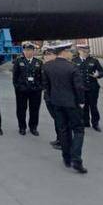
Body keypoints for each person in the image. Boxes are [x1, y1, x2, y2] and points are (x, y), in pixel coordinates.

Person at [43, 42, 87, 174]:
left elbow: (46, 86)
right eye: (69, 51)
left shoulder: (48, 66)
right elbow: (79, 87)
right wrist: (81, 101)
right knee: (78, 130)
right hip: (72, 104)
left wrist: (51, 100)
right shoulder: (72, 67)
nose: (71, 53)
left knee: (63, 129)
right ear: (63, 52)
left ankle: (66, 158)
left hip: (56, 103)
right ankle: (76, 159)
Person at [72, 44, 103, 131]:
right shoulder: (74, 61)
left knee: (93, 106)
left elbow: (102, 72)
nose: (86, 53)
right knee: (83, 106)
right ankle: (85, 122)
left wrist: (98, 75)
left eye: (87, 52)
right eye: (84, 52)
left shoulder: (94, 60)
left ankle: (95, 123)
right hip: (81, 88)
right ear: (79, 51)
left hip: (92, 87)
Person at [12, 42, 43, 136]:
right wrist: (18, 87)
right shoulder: (18, 61)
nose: (27, 52)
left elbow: (42, 77)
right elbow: (15, 77)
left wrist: (39, 88)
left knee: (34, 110)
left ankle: (33, 127)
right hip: (22, 91)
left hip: (35, 91)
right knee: (21, 109)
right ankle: (22, 127)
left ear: (33, 51)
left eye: (29, 50)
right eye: (25, 50)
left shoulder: (38, 62)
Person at [41, 44, 61, 149]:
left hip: (56, 98)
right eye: (45, 55)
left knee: (60, 120)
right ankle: (59, 139)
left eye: (49, 54)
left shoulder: (57, 67)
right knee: (56, 119)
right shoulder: (45, 66)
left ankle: (63, 141)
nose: (46, 57)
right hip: (48, 97)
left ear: (55, 55)